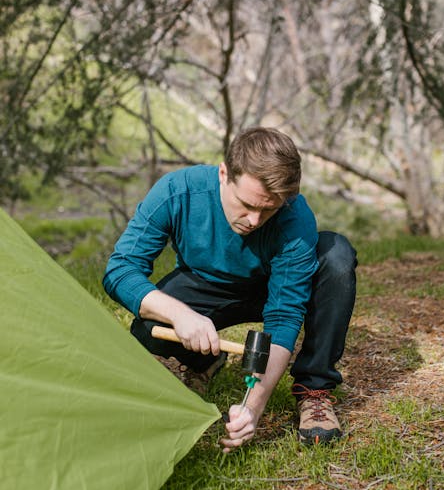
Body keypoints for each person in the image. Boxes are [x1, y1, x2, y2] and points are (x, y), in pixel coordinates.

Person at [103, 127, 357, 451]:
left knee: (335, 256)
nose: (253, 220)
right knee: (147, 330)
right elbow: (120, 270)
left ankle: (314, 391)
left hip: (270, 288)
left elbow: (284, 314)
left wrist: (253, 407)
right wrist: (180, 315)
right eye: (246, 204)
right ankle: (202, 361)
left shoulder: (294, 217)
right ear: (224, 173)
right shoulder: (177, 191)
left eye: (268, 210)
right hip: (205, 284)